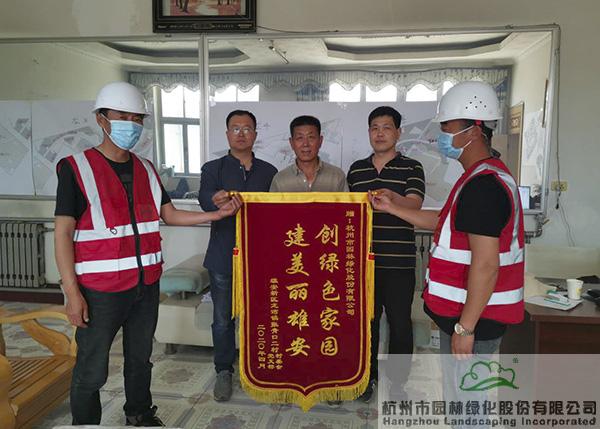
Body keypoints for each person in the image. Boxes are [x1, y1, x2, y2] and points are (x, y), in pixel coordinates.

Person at [54, 81, 241, 427]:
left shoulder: (146, 168)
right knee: (92, 368)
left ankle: (139, 414)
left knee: (140, 359)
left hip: (145, 285)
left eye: (137, 118)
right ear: (101, 119)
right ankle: (85, 423)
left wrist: (215, 215)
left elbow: (169, 214)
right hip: (100, 289)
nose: (131, 124)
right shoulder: (75, 168)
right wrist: (71, 292)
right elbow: (63, 232)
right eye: (122, 116)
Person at [370, 81, 524, 426]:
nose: (441, 136)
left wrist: (465, 329)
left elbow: (486, 265)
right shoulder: (478, 178)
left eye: (447, 128)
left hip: (475, 320)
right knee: (461, 401)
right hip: (467, 315)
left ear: (474, 131)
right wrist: (392, 208)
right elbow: (445, 221)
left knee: (467, 406)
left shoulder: (483, 186)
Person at [347, 106, 425, 402]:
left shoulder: (412, 167)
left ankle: (398, 381)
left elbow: (415, 205)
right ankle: (366, 377)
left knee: (400, 323)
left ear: (398, 133)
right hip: (363, 263)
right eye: (374, 128)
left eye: (386, 127)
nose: (380, 133)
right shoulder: (356, 169)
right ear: (369, 132)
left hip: (399, 262)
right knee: (366, 323)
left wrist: (393, 199)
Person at [199, 110, 277, 402]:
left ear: (255, 134)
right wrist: (215, 199)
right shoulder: (213, 168)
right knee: (222, 319)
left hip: (260, 258)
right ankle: (223, 370)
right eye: (235, 128)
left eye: (247, 128)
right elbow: (204, 198)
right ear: (227, 134)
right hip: (223, 256)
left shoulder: (269, 171)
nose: (241, 134)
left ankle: (258, 367)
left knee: (261, 316)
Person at [270, 115, 347, 192]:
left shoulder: (337, 177)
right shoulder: (280, 180)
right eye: (300, 138)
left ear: (320, 141)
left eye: (311, 137)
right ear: (291, 143)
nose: (305, 144)